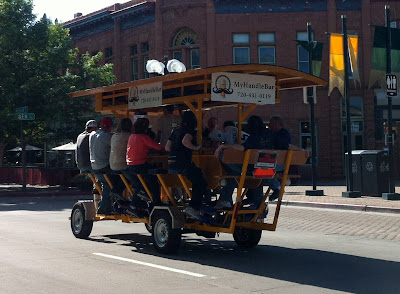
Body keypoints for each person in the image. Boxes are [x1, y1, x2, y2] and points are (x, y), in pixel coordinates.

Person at [214, 115, 275, 209]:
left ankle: (226, 200)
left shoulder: (254, 137)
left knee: (233, 172)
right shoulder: (270, 135)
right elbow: (285, 145)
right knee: (241, 172)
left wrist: (223, 146)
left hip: (253, 170)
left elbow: (243, 148)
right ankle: (256, 201)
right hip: (269, 168)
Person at [165, 111, 208, 220]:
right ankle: (193, 207)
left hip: (171, 163)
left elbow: (167, 147)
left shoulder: (175, 131)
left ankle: (179, 200)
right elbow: (185, 141)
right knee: (201, 181)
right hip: (183, 162)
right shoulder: (190, 130)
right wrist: (196, 147)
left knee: (192, 178)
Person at [125, 118, 163, 215]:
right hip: (140, 165)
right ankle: (156, 203)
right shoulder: (144, 137)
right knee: (154, 182)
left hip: (130, 165)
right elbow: (159, 147)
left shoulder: (132, 136)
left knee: (142, 184)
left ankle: (141, 198)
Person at [89, 116, 125, 214]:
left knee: (107, 182)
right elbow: (119, 146)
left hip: (94, 166)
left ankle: (107, 205)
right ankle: (105, 206)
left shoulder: (93, 134)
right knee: (121, 178)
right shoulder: (108, 137)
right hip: (103, 166)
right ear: (110, 127)